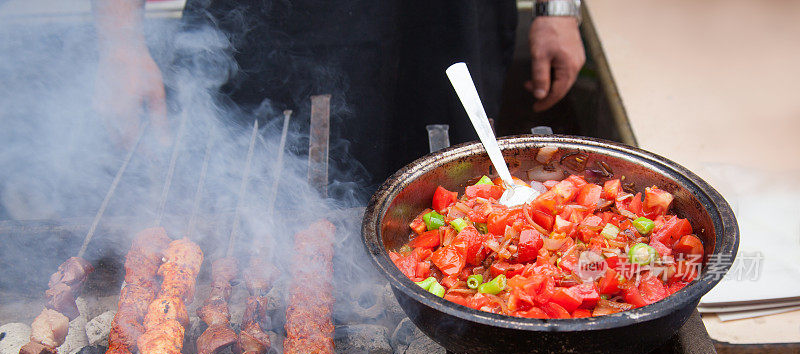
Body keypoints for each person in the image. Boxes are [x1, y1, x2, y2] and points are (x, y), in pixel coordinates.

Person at [93, 0, 585, 198]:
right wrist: (119, 40)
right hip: (277, 20)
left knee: (449, 193)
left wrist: (558, 7)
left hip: (444, 18)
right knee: (258, 195)